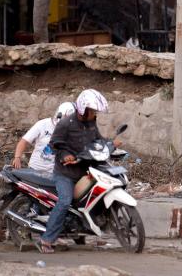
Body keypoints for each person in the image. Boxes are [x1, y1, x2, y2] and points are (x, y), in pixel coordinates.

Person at [36, 89, 109, 254]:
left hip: (85, 170)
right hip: (65, 173)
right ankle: (47, 239)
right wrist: (66, 155)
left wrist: (110, 145)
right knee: (65, 201)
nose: (94, 114)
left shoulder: (91, 123)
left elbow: (98, 140)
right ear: (83, 109)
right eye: (92, 110)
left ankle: (80, 232)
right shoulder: (66, 123)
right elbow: (55, 144)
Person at [12, 102, 76, 173]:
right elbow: (24, 141)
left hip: (53, 173)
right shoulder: (42, 124)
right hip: (34, 169)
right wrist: (17, 157)